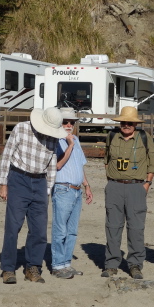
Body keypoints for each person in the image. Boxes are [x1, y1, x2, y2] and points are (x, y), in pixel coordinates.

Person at [0, 107, 68, 284]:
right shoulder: (20, 128)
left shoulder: (53, 137)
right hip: (18, 178)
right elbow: (7, 155)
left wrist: (47, 190)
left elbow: (52, 163)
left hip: (40, 181)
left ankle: (33, 267)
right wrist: (3, 183)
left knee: (39, 229)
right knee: (13, 226)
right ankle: (8, 268)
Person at [102, 106, 154, 279]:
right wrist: (112, 180)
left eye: (130, 123)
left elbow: (152, 163)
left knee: (136, 228)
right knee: (113, 227)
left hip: (137, 187)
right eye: (124, 122)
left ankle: (135, 264)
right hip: (114, 187)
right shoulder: (111, 136)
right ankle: (111, 264)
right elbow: (106, 160)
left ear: (135, 124)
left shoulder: (144, 138)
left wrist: (147, 184)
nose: (126, 125)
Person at [50, 107, 94, 279]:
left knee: (72, 230)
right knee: (60, 230)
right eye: (65, 122)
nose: (69, 125)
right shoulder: (55, 140)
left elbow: (79, 165)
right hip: (62, 188)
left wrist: (87, 185)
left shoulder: (75, 139)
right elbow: (58, 165)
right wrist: (69, 145)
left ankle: (66, 263)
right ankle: (57, 265)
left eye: (71, 122)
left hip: (76, 190)